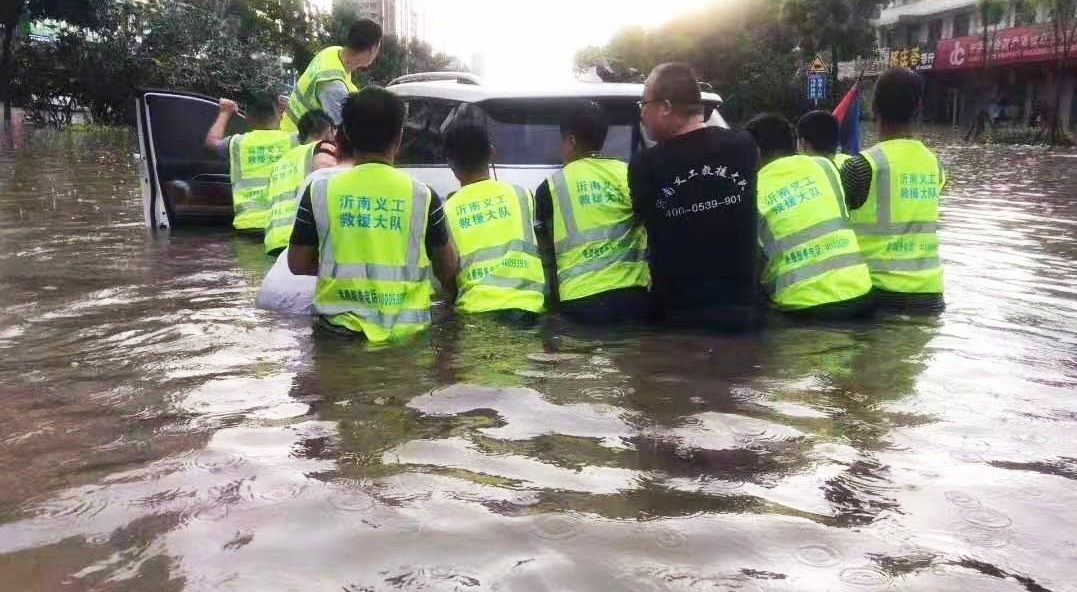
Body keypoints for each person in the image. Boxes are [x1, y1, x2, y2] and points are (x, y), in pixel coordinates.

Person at [288, 88, 458, 342]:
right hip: (406, 338)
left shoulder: (319, 191)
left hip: (338, 332)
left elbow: (298, 263)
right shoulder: (424, 196)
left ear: (345, 135)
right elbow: (447, 270)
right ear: (399, 138)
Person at [630, 62, 760, 331]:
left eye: (644, 104)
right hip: (742, 316)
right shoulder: (744, 146)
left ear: (665, 107)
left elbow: (642, 221)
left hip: (677, 320)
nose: (641, 114)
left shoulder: (648, 165)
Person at [745, 113, 874, 319]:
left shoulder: (751, 191)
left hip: (804, 308)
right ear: (795, 143)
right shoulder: (825, 167)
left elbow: (753, 264)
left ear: (756, 152)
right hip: (861, 294)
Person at [840, 68, 945, 313]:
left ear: (874, 108)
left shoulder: (861, 165)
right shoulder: (935, 165)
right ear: (918, 108)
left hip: (878, 295)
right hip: (931, 296)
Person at [534, 101, 649, 324]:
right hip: (634, 298)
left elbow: (545, 255)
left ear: (571, 140)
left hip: (580, 302)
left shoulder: (551, 186)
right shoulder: (628, 172)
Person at [441, 124, 545, 320]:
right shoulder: (523, 196)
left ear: (451, 164)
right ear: (491, 153)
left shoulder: (446, 211)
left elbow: (446, 276)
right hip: (529, 309)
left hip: (475, 312)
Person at [204, 94, 298, 231]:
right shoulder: (294, 141)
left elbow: (211, 142)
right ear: (280, 114)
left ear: (247, 118)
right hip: (283, 226)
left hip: (247, 225)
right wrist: (290, 109)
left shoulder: (236, 144)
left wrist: (225, 112)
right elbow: (319, 133)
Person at [280, 19, 382, 132]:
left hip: (291, 129)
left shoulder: (333, 52)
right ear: (372, 50)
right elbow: (344, 132)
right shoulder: (333, 86)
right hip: (300, 141)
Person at [263, 110, 337, 255]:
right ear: (329, 131)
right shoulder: (322, 148)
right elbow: (326, 176)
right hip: (302, 238)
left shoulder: (283, 159)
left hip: (274, 240)